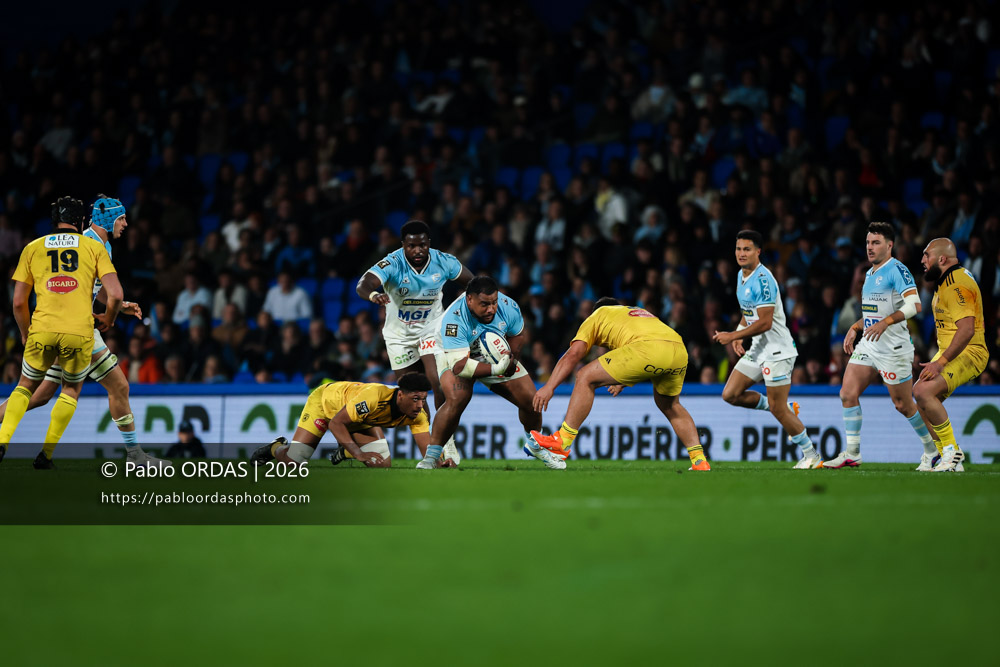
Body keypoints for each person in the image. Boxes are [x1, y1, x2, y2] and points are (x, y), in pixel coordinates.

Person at [0, 196, 168, 467]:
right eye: (121, 218)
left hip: (51, 327)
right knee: (118, 386)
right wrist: (110, 315)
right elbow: (86, 291)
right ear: (106, 218)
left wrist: (120, 306)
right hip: (79, 329)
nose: (126, 224)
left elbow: (92, 289)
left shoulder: (96, 244)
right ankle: (135, 455)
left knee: (39, 394)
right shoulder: (89, 244)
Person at [531, 297, 710, 471]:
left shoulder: (598, 315)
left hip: (647, 349)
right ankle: (699, 460)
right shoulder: (636, 313)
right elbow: (636, 349)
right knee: (670, 405)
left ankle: (562, 442)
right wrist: (621, 381)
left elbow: (574, 354)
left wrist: (549, 386)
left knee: (585, 376)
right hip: (678, 349)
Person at [414, 276, 564, 470]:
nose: (491, 309)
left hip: (491, 353)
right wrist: (496, 369)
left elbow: (517, 335)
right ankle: (432, 457)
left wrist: (512, 360)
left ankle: (535, 445)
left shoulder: (508, 306)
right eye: (484, 304)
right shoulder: (454, 320)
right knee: (457, 397)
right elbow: (460, 366)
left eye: (493, 302)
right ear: (469, 300)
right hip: (454, 353)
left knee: (530, 400)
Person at [356, 219, 473, 465]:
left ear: (429, 244)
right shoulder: (392, 263)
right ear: (403, 246)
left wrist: (470, 304)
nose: (417, 251)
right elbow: (363, 284)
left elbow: (472, 284)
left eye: (422, 245)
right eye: (411, 246)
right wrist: (374, 294)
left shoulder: (444, 261)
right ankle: (434, 447)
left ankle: (447, 441)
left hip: (431, 331)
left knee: (437, 382)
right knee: (413, 396)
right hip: (398, 338)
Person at [825, 222, 936, 470]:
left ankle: (933, 450)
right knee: (847, 394)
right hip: (870, 345)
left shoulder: (898, 270)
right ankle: (852, 453)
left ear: (889, 245)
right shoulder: (870, 274)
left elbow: (914, 306)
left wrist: (885, 323)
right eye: (867, 243)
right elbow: (872, 314)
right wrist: (855, 328)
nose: (870, 248)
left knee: (903, 405)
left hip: (894, 349)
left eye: (876, 243)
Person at [711, 230, 822, 469]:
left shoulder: (764, 279)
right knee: (730, 394)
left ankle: (812, 455)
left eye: (747, 249)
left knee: (777, 409)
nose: (741, 253)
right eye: (739, 249)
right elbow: (749, 313)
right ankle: (786, 407)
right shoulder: (742, 276)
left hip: (777, 351)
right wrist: (740, 331)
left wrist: (733, 335)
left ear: (758, 251)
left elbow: (765, 322)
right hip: (759, 348)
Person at [912, 238, 990, 472]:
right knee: (920, 395)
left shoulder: (956, 285)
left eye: (927, 256)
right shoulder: (947, 280)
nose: (923, 260)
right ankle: (942, 454)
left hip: (969, 351)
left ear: (942, 259)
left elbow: (966, 330)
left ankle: (952, 452)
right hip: (951, 351)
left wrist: (941, 362)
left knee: (923, 391)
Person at [250, 372, 433, 468]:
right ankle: (276, 447)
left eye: (423, 399)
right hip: (325, 404)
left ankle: (344, 452)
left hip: (358, 416)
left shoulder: (418, 416)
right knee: (293, 463)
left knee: (381, 464)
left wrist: (439, 461)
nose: (419, 405)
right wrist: (358, 453)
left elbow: (428, 453)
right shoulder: (374, 398)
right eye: (415, 399)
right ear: (400, 395)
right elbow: (336, 423)